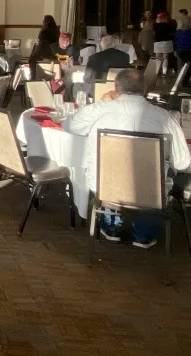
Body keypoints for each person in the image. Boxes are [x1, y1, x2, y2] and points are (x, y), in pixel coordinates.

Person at [67, 70, 191, 249]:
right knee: (165, 172)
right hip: (149, 192)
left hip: (106, 186)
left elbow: (72, 126)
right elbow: (183, 163)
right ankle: (144, 234)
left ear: (116, 88)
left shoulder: (98, 110)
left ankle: (111, 226)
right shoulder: (165, 118)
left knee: (110, 170)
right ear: (145, 89)